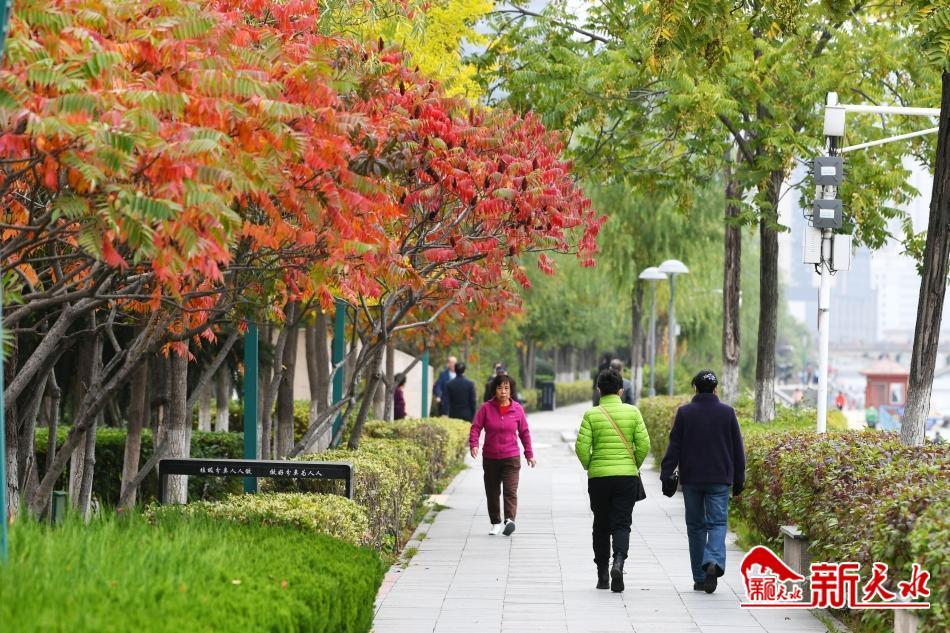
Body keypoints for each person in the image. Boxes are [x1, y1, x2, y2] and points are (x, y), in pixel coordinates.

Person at [660, 369, 745, 595]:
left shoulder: (685, 413)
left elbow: (674, 445)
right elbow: (738, 448)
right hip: (719, 479)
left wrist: (666, 473)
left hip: (692, 479)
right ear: (716, 389)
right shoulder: (727, 413)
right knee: (717, 523)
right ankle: (713, 561)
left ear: (695, 388)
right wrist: (739, 478)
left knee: (695, 526)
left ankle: (699, 578)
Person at [575, 369, 651, 593]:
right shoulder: (633, 412)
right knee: (622, 523)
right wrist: (633, 464)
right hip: (626, 477)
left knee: (600, 524)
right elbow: (644, 444)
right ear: (621, 391)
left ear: (599, 390)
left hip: (599, 479)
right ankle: (618, 562)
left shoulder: (591, 415)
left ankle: (602, 576)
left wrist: (591, 465)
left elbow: (581, 448)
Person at [470, 373, 536, 537]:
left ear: (511, 390)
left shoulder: (517, 409)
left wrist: (529, 454)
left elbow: (524, 433)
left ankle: (509, 520)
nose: (503, 391)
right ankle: (495, 523)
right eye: (500, 388)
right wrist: (474, 444)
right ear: (495, 390)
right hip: (491, 457)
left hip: (511, 457)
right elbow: (476, 427)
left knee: (510, 491)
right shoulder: (486, 408)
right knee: (492, 492)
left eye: (506, 388)